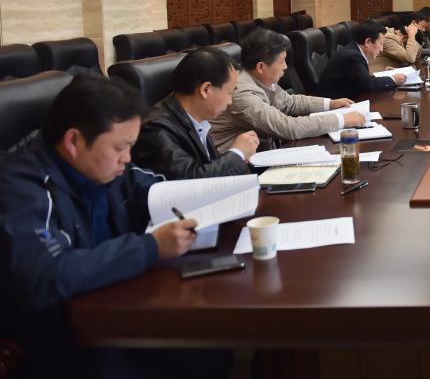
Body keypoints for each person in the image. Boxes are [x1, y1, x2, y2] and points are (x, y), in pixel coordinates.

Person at [0, 74, 223, 378]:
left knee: (211, 353)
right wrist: (150, 247)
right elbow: (44, 277)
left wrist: (215, 198)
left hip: (119, 303)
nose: (127, 158)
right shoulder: (20, 187)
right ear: (74, 141)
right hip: (65, 336)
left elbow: (151, 187)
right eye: (120, 147)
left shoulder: (102, 165)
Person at [210, 29, 365, 150]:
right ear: (261, 67)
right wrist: (342, 119)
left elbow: (288, 102)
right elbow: (288, 127)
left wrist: (330, 104)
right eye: (282, 61)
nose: (285, 66)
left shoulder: (259, 79)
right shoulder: (241, 92)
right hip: (235, 167)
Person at [134, 47, 259, 179]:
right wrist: (237, 153)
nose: (230, 101)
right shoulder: (156, 129)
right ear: (206, 89)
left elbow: (208, 166)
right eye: (229, 93)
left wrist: (239, 158)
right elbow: (191, 180)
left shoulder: (197, 119)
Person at [316, 21, 407, 100]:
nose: (381, 49)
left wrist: (383, 74)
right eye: (381, 44)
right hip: (335, 105)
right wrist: (393, 79)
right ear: (368, 42)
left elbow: (362, 79)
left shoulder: (353, 50)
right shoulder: (353, 57)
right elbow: (368, 84)